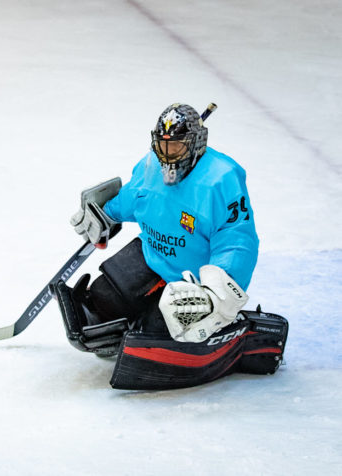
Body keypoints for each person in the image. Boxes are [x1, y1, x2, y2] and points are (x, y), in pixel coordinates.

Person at [55, 103, 288, 390]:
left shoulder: (221, 179)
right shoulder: (151, 165)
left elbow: (237, 239)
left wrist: (218, 289)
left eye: (175, 148)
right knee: (101, 300)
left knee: (163, 331)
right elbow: (133, 197)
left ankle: (232, 330)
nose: (167, 157)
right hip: (153, 257)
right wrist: (104, 214)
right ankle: (138, 315)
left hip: (193, 280)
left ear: (196, 144)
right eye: (162, 146)